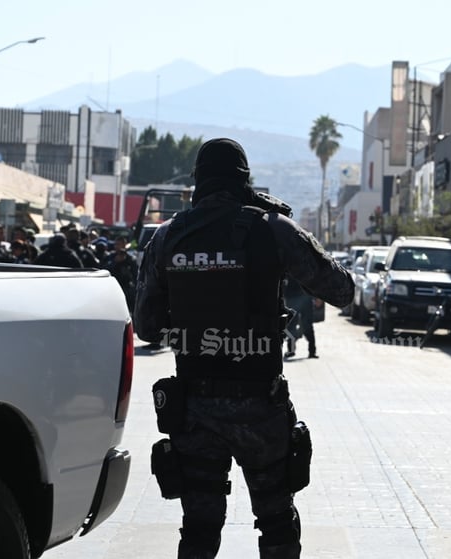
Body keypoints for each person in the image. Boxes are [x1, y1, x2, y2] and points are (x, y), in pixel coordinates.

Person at [134, 138, 353, 559]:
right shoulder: (272, 228)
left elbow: (146, 326)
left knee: (198, 530)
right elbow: (341, 290)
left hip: (194, 408)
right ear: (244, 181)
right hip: (260, 409)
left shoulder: (167, 237)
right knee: (276, 524)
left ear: (197, 181)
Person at [283, 275, 317, 359]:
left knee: (307, 324)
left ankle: (311, 351)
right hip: (294, 297)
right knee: (292, 325)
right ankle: (291, 350)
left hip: (304, 297)